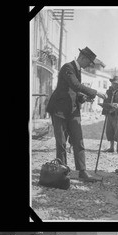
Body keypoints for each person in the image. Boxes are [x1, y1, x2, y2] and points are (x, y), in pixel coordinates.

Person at [46, 47, 106, 183]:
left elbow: (74, 91)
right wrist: (95, 92)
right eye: (89, 62)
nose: (89, 66)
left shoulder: (77, 69)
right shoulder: (68, 67)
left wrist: (82, 97)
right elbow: (75, 85)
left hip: (72, 110)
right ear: (83, 58)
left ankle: (82, 172)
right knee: (61, 142)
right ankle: (62, 172)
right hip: (59, 110)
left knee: (78, 140)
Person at [102, 75, 118, 152]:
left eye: (116, 83)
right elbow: (105, 101)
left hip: (117, 114)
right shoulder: (108, 91)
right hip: (109, 113)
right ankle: (111, 147)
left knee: (117, 130)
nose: (114, 85)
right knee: (109, 130)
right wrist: (105, 111)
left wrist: (115, 109)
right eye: (113, 83)